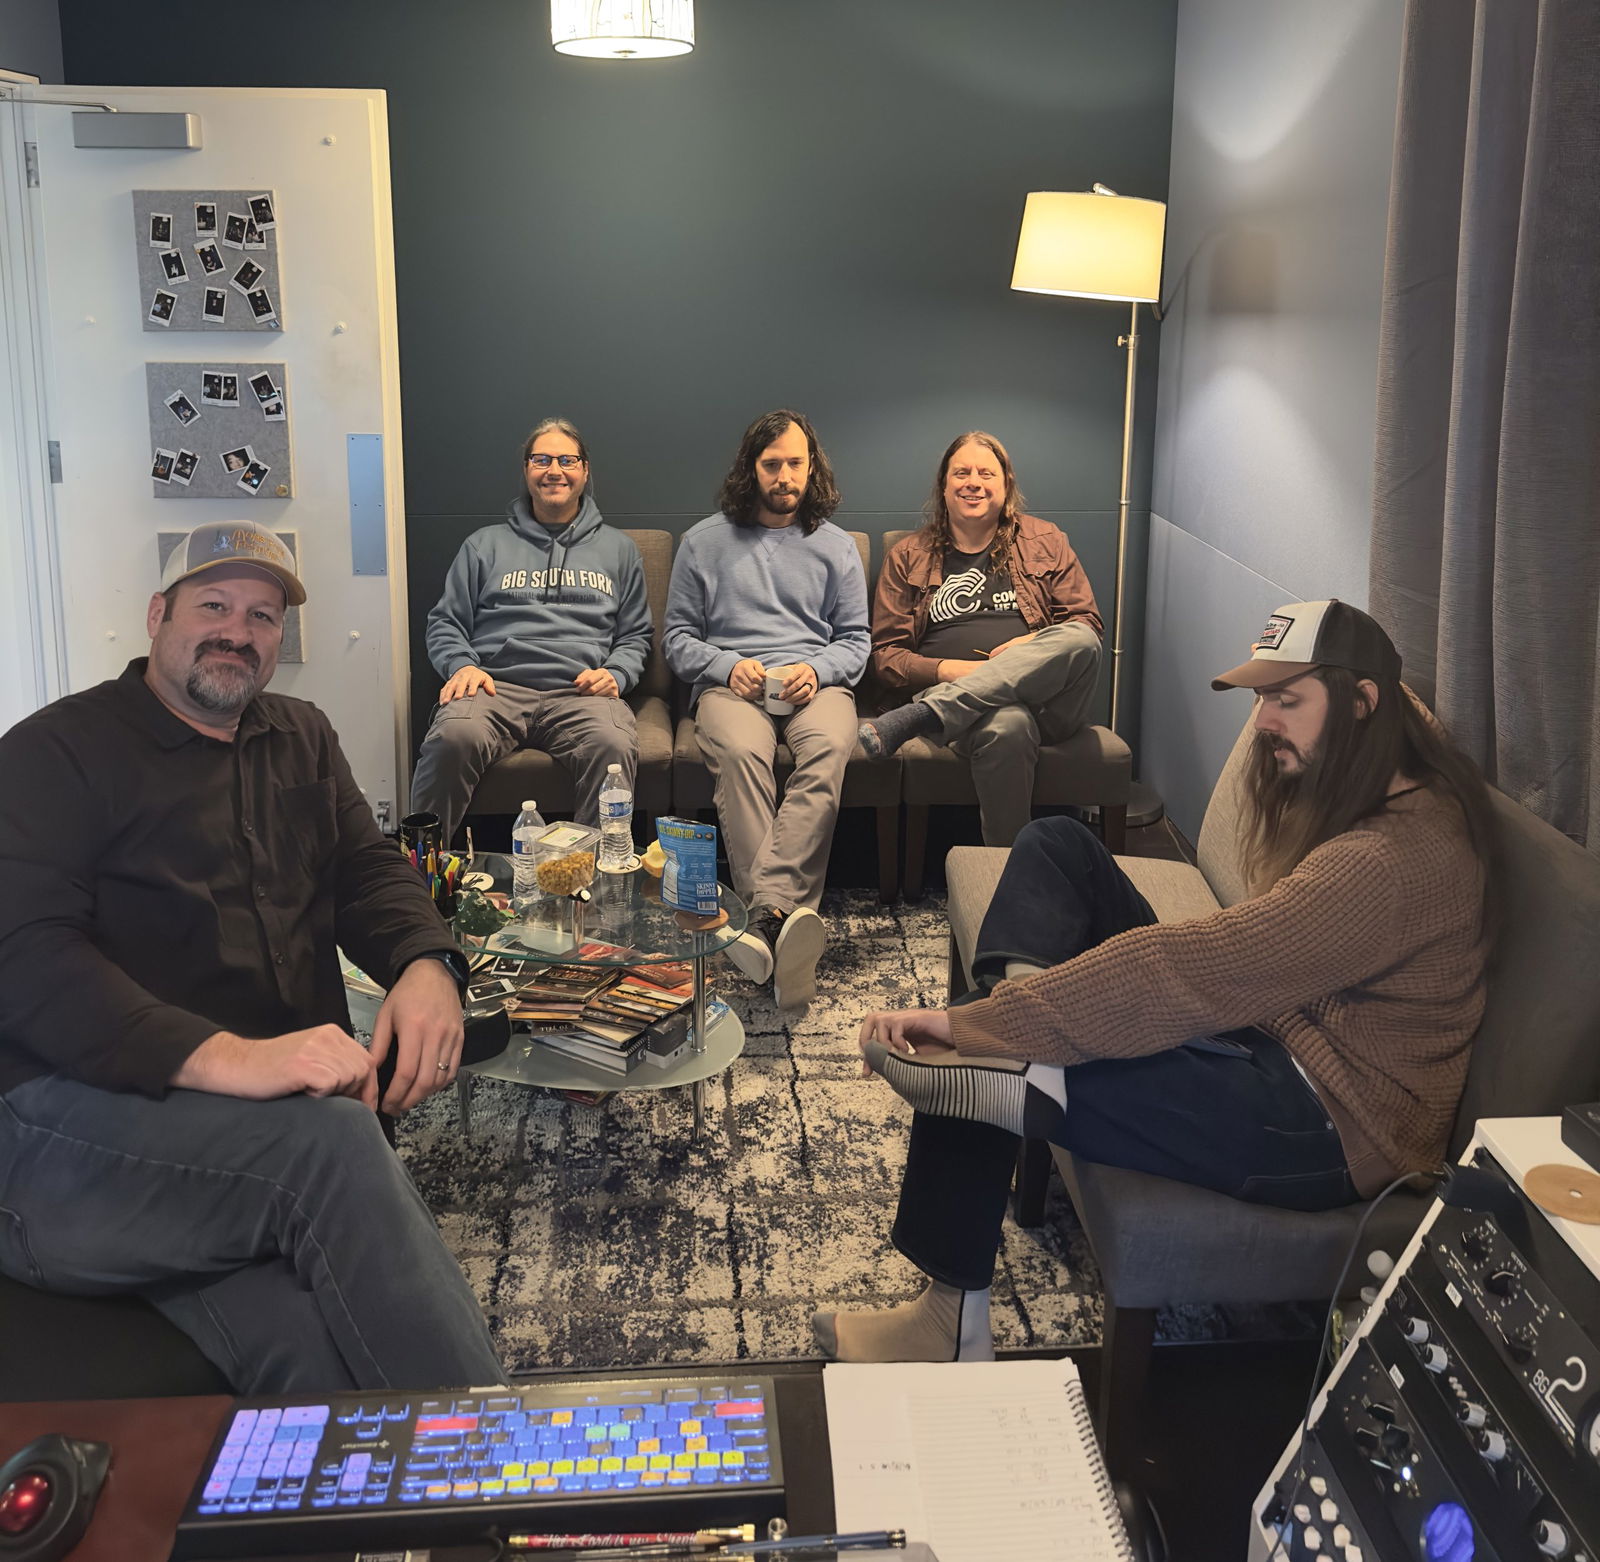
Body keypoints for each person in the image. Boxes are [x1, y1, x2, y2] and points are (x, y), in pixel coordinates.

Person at [814, 600, 1497, 1362]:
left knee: (976, 1046)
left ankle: (955, 1294)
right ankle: (1023, 1056)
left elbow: (1201, 968)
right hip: (1272, 1028)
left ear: (1361, 705)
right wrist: (1017, 1015)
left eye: (1287, 699)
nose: (1264, 722)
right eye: (1263, 698)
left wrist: (990, 1023)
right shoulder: (1392, 764)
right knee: (1057, 845)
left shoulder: (1389, 861)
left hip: (1327, 1123)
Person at [0, 520, 505, 1393]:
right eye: (214, 604)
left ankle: (381, 1529)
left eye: (264, 615)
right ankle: (510, 1488)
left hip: (238, 1149)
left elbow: (366, 870)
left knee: (306, 1347)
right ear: (158, 616)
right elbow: (24, 957)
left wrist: (429, 962)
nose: (239, 629)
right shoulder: (56, 752)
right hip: (69, 1132)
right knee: (334, 1148)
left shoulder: (300, 734)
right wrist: (235, 1059)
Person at [663, 409, 870, 1009]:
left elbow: (856, 641)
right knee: (740, 750)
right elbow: (676, 639)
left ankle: (761, 917)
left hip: (815, 687)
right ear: (750, 469)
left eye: (795, 463)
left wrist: (819, 670)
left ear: (813, 467)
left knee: (831, 748)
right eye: (771, 463)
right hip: (735, 687)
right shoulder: (703, 543)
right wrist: (729, 666)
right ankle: (785, 922)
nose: (784, 476)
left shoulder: (836, 545)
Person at [412, 418, 653, 842]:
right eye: (541, 459)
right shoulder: (483, 545)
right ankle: (418, 880)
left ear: (584, 470)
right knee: (452, 737)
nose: (554, 470)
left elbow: (635, 635)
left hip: (580, 693)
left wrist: (615, 673)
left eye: (566, 460)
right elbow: (445, 621)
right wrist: (461, 665)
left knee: (613, 745)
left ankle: (587, 884)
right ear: (526, 470)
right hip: (494, 688)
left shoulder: (620, 550)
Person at [858, 432, 1104, 845]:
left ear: (1006, 485)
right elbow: (886, 657)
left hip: (1046, 702)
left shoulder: (1046, 539)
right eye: (962, 473)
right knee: (1008, 724)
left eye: (986, 472)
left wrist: (1025, 648)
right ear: (944, 486)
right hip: (967, 707)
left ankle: (926, 716)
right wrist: (958, 671)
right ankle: (1009, 878)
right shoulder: (909, 554)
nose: (973, 481)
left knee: (1082, 639)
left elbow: (1086, 623)